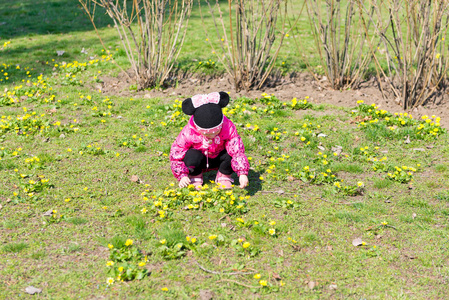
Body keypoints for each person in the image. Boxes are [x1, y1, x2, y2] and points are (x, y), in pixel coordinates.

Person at [170, 92, 249, 189]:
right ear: (197, 128)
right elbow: (176, 154)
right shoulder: (189, 132)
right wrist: (182, 175)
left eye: (216, 132)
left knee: (230, 154)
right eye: (207, 134)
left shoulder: (228, 128)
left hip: (219, 158)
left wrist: (242, 173)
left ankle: (224, 175)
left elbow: (237, 151)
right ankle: (195, 176)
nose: (212, 136)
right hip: (200, 159)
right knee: (191, 155)